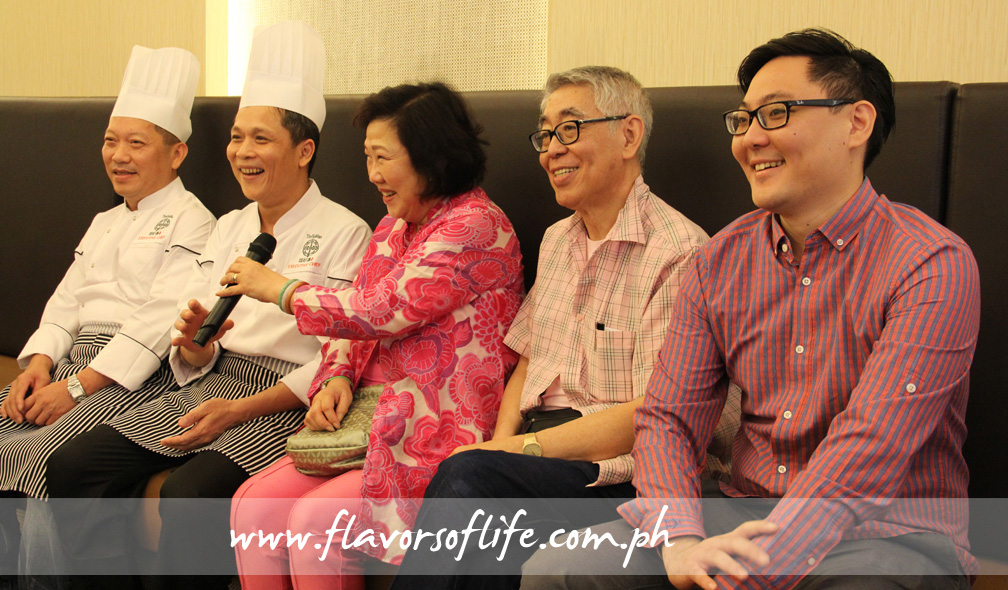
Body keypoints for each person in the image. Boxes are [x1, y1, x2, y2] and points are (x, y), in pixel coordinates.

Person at [522, 28, 980, 590]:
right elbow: (668, 418)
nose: (750, 139)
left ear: (856, 122)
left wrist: (755, 562)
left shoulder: (930, 263)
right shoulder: (720, 259)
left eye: (777, 113)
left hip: (890, 535)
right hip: (741, 511)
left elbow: (873, 444)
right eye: (743, 121)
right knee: (561, 567)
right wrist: (680, 540)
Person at [44, 21, 371, 590]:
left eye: (261, 139)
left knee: (190, 494)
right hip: (207, 384)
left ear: (305, 150)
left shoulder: (348, 231)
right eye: (237, 137)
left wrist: (241, 408)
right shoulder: (229, 228)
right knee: (76, 463)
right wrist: (196, 345)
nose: (242, 151)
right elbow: (193, 339)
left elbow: (340, 353)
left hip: (279, 400)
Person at [392, 66, 735, 590]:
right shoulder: (557, 239)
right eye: (545, 134)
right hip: (541, 455)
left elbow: (657, 414)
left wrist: (504, 457)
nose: (551, 149)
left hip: (619, 470)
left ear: (628, 135)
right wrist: (499, 445)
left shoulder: (680, 252)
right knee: (482, 514)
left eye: (570, 128)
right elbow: (529, 360)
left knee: (469, 481)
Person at [227, 81, 524, 590]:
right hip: (368, 420)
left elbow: (382, 310)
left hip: (433, 428)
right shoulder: (392, 227)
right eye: (367, 157)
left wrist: (281, 290)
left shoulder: (477, 226)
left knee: (313, 525)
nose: (372, 175)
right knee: (252, 509)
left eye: (382, 157)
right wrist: (336, 377)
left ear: (431, 157)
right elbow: (354, 321)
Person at [0, 44, 212, 577]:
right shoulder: (103, 220)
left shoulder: (196, 221)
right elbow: (66, 300)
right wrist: (39, 366)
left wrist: (74, 387)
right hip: (70, 364)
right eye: (110, 141)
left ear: (177, 153)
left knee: (42, 458)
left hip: (126, 377)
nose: (118, 155)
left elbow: (160, 319)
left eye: (136, 143)